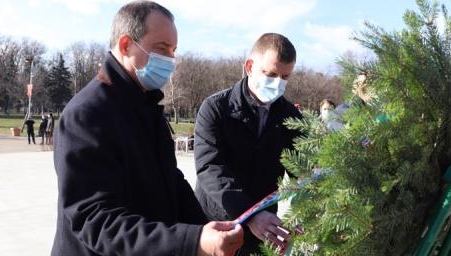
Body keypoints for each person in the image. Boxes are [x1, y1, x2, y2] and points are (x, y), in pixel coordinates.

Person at [51, 2, 244, 255]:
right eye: (161, 49)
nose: (170, 60)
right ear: (125, 45)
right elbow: (95, 220)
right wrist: (191, 241)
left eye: (173, 51)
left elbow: (171, 180)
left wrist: (204, 227)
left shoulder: (148, 106)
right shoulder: (86, 115)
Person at [194, 33, 303, 254]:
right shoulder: (215, 109)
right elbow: (210, 167)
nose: (277, 84)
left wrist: (305, 214)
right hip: (218, 222)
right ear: (250, 66)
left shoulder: (292, 118)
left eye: (285, 77)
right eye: (270, 74)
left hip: (263, 230)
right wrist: (250, 214)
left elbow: (303, 170)